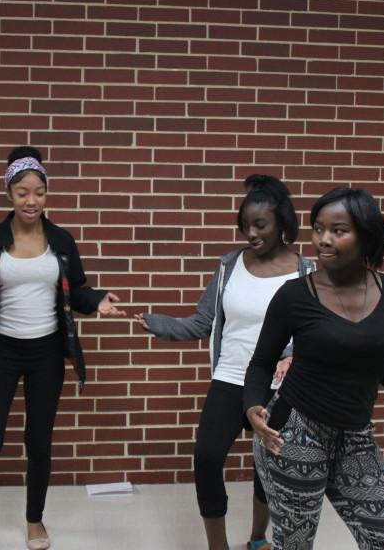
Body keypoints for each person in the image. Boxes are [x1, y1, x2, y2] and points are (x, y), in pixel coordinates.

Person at [244, 187, 384, 550]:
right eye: (318, 228)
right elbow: (261, 362)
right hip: (293, 433)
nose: (323, 240)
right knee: (296, 544)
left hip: (355, 437)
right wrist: (252, 408)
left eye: (338, 230)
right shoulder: (295, 295)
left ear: (366, 234)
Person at [0, 146, 126, 550]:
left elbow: (76, 291)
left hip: (47, 351)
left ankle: (35, 521)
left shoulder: (61, 241)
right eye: (22, 192)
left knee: (39, 440)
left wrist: (97, 301)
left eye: (39, 192)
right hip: (1, 351)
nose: (31, 200)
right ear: (8, 194)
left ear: (46, 194)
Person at [135, 175, 314, 550]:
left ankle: (257, 538)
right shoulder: (230, 266)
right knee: (206, 457)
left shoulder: (306, 271)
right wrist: (159, 324)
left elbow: (317, 331)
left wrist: (295, 355)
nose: (251, 233)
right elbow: (203, 321)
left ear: (282, 222)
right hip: (231, 378)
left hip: (279, 386)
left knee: (268, 466)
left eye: (260, 225)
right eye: (245, 225)